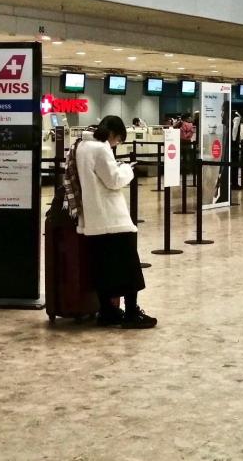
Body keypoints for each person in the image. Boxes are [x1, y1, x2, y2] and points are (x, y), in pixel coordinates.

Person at [75, 115, 155, 329]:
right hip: (112, 217)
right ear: (113, 134)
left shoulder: (82, 145)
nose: (117, 143)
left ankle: (107, 311)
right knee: (129, 266)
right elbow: (114, 180)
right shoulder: (100, 148)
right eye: (118, 139)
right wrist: (127, 169)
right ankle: (131, 313)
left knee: (103, 268)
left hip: (93, 217)